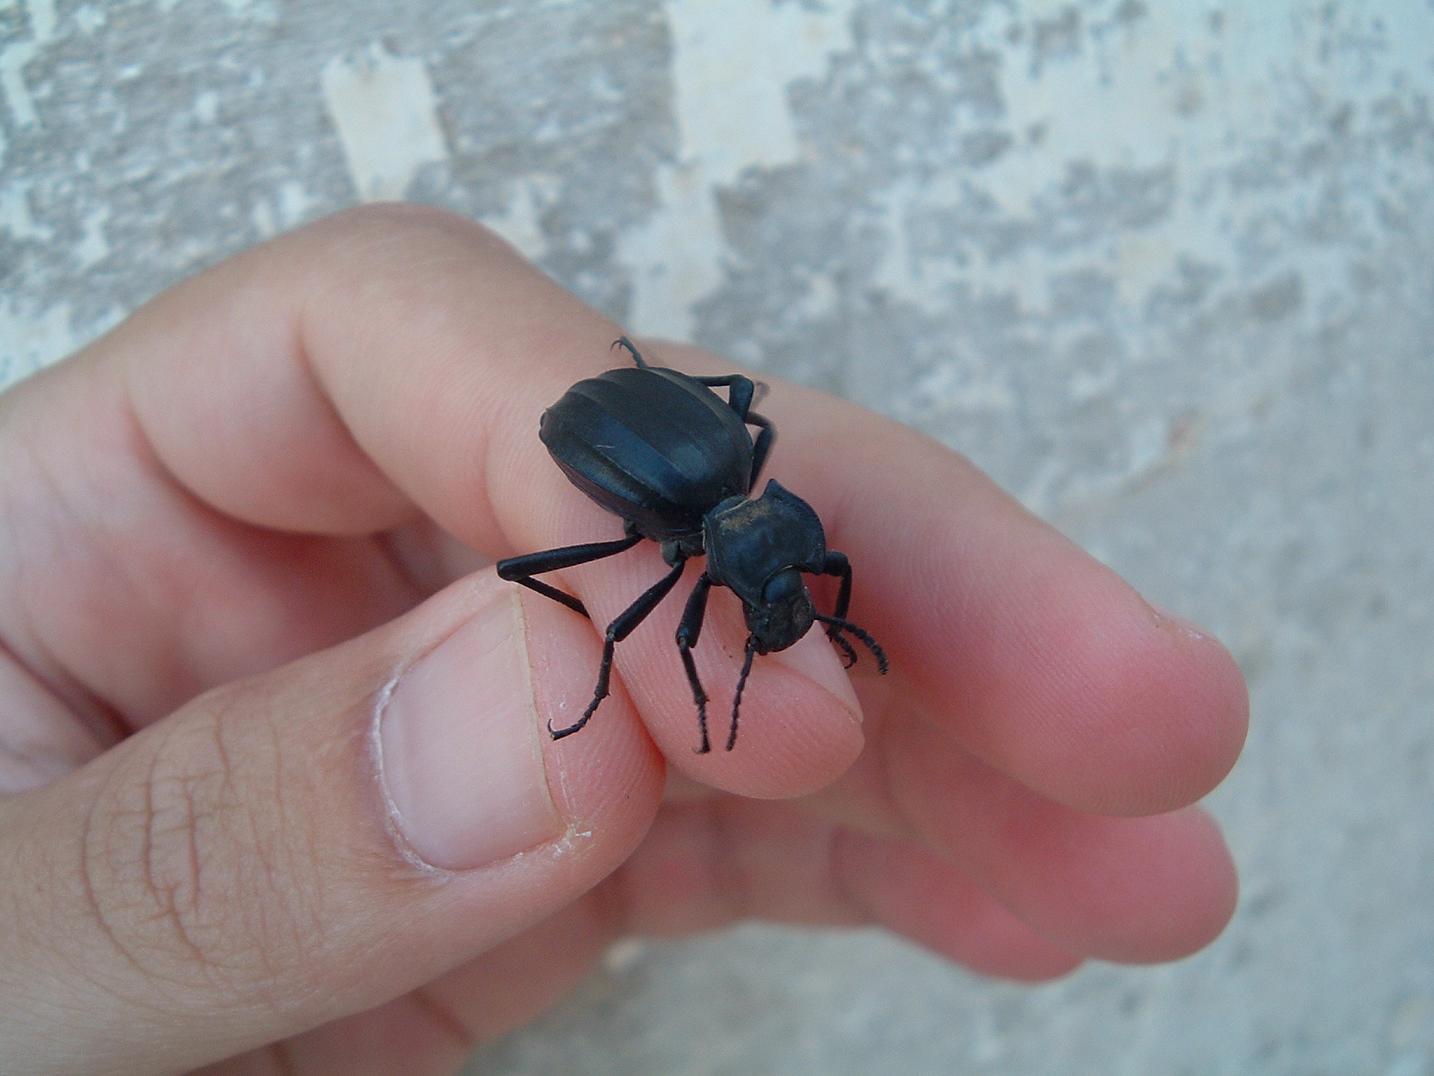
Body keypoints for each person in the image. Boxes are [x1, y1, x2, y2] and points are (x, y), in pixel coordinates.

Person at [0, 205, 1248, 1074]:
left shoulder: (776, 521)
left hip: (663, 434)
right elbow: (692, 566)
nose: (786, 613)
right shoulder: (716, 527)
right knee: (593, 605)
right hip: (618, 439)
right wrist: (603, 675)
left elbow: (814, 558)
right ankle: (588, 671)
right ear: (765, 551)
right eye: (782, 604)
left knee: (719, 456)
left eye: (789, 607)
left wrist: (806, 611)